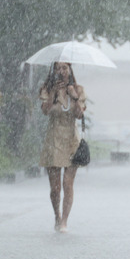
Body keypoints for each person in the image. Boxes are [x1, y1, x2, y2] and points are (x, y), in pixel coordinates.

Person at [39, 62, 86, 233]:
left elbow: (80, 115)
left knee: (68, 183)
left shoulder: (78, 89)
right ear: (54, 70)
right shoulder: (47, 88)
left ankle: (65, 220)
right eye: (58, 68)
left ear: (70, 70)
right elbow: (45, 110)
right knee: (55, 188)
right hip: (53, 140)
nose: (61, 71)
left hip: (71, 141)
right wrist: (53, 93)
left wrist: (73, 95)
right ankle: (56, 215)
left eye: (64, 68)